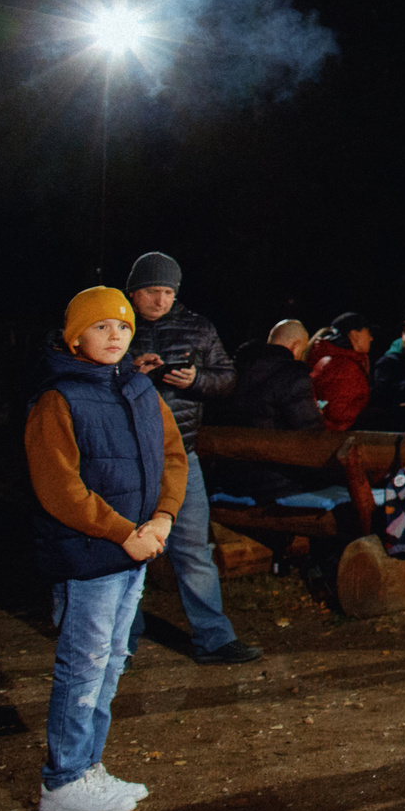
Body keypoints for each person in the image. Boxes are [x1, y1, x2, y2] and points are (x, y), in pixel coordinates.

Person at [28, 287, 182, 811]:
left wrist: (163, 516)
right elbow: (59, 487)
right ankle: (62, 783)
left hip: (134, 550)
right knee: (84, 664)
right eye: (100, 328)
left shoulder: (139, 390)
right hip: (89, 556)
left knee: (112, 661)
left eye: (122, 327)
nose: (114, 336)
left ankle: (88, 767)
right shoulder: (58, 399)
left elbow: (173, 456)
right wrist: (123, 532)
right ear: (76, 336)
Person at [119, 252, 260, 664]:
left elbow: (228, 377)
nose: (161, 300)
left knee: (193, 550)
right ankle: (121, 644)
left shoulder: (197, 327)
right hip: (128, 459)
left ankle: (214, 639)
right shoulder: (116, 326)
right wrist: (131, 374)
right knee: (128, 548)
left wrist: (197, 379)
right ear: (133, 291)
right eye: (152, 291)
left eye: (168, 292)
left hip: (182, 456)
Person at [211, 320, 322, 502]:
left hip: (228, 478)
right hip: (275, 482)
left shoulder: (234, 369)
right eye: (302, 352)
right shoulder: (293, 375)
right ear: (295, 347)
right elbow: (312, 432)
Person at [307, 313, 377, 430]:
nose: (371, 338)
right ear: (354, 335)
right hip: (339, 438)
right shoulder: (342, 366)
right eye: (368, 332)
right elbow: (337, 413)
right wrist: (367, 414)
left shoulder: (342, 361)